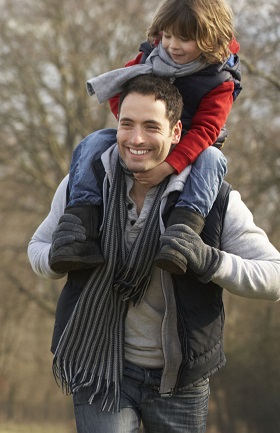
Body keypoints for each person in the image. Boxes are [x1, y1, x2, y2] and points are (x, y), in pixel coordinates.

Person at [28, 74, 280, 433]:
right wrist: (61, 256)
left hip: (179, 378)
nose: (134, 139)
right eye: (126, 125)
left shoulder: (212, 196)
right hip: (102, 372)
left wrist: (208, 260)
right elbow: (38, 251)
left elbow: (272, 276)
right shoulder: (87, 181)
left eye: (150, 127)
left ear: (176, 131)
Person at [50, 0, 241, 277]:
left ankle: (183, 229)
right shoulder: (150, 58)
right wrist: (135, 130)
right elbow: (119, 92)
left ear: (210, 39)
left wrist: (169, 164)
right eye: (167, 35)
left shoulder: (220, 80)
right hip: (150, 140)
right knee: (93, 142)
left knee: (214, 159)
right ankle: (81, 225)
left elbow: (206, 131)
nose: (173, 45)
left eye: (184, 39)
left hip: (191, 146)